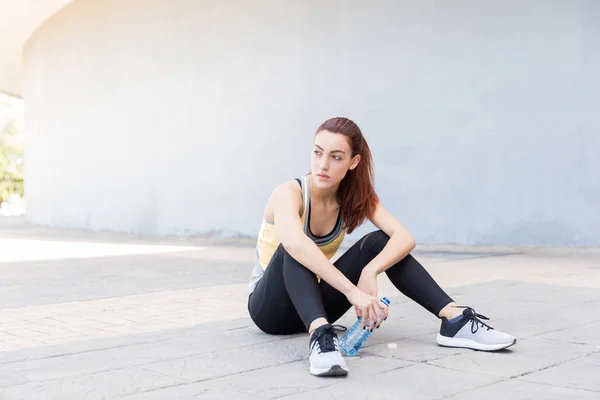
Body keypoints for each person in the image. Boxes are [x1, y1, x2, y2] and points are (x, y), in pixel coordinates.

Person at [247, 117, 516, 377]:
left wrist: (371, 270)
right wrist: (353, 292)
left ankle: (454, 320)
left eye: (336, 157)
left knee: (379, 242)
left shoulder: (354, 197)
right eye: (317, 153)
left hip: (313, 304)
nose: (323, 164)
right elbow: (295, 244)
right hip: (269, 309)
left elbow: (403, 237)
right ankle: (321, 338)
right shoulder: (289, 193)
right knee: (293, 248)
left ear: (354, 162)